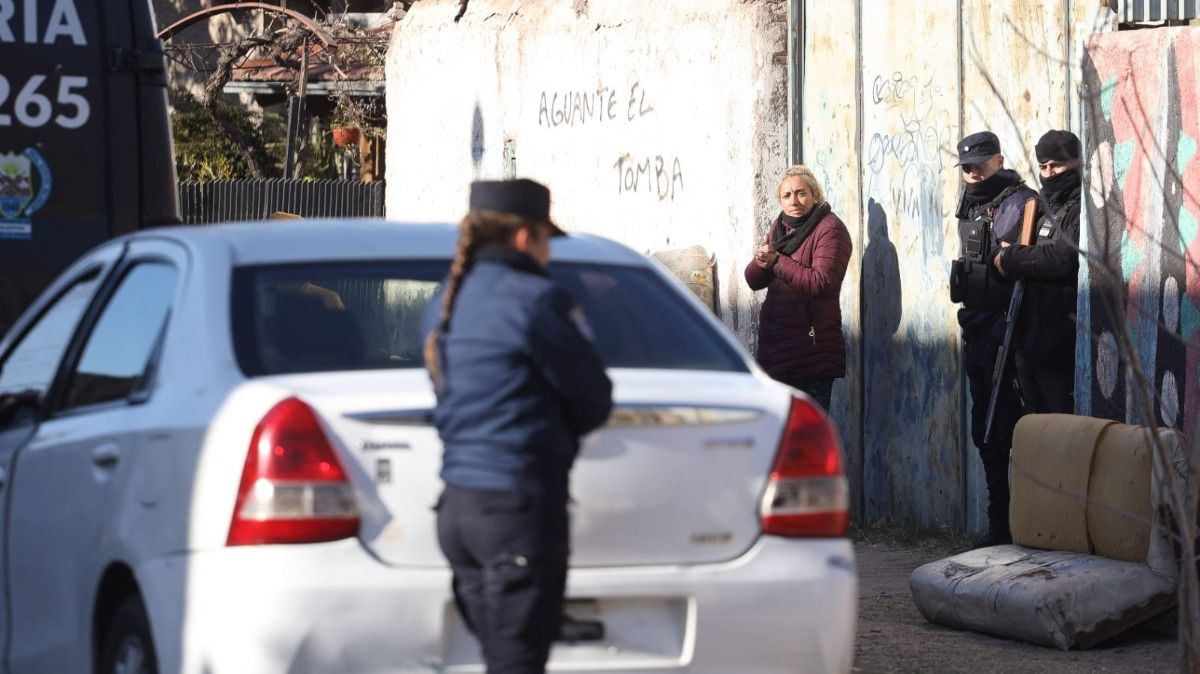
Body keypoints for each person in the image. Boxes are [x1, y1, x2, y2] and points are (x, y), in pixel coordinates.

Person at [422, 178, 613, 674]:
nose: (549, 254)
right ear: (526, 238)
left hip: (458, 511)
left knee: (501, 659)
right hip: (517, 513)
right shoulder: (537, 300)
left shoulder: (446, 301)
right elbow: (592, 399)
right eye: (547, 241)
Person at [949, 130, 1036, 547]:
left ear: (999, 162)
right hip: (977, 328)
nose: (972, 173)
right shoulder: (970, 201)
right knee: (983, 431)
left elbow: (1020, 264)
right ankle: (998, 526)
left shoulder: (1019, 202)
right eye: (967, 167)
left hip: (1008, 331)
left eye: (980, 166)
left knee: (1007, 430)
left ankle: (1021, 527)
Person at [744, 165, 852, 411]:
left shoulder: (830, 229)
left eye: (801, 193)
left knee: (806, 430)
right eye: (787, 195)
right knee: (778, 428)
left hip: (810, 356)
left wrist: (776, 261)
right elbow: (753, 281)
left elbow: (821, 282)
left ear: (815, 194)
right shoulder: (780, 229)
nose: (794, 200)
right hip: (776, 353)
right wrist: (761, 260)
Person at [992, 130, 1082, 414]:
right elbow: (1003, 251)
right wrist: (1008, 256)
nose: (1049, 173)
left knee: (1061, 427)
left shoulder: (1080, 209)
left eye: (1057, 165)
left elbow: (1062, 258)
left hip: (1060, 345)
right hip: (1029, 340)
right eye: (1043, 166)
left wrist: (1013, 257)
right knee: (1033, 426)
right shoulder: (1038, 207)